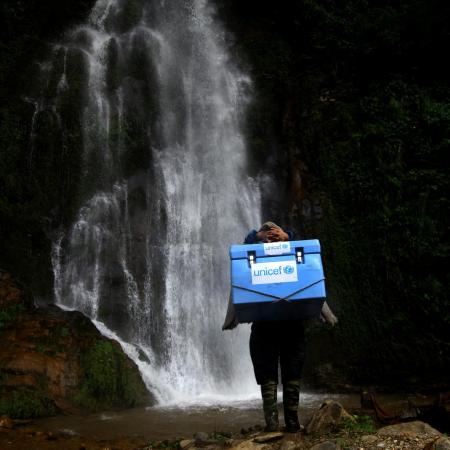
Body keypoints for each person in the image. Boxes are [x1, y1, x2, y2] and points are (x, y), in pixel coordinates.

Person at [223, 221, 338, 433]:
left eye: (275, 234)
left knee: (292, 369)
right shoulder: (253, 251)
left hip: (290, 323)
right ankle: (274, 423)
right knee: (267, 371)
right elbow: (241, 254)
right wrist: (257, 236)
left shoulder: (294, 249)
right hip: (265, 324)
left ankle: (291, 421)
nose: (272, 237)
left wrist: (287, 236)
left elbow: (308, 261)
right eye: (269, 234)